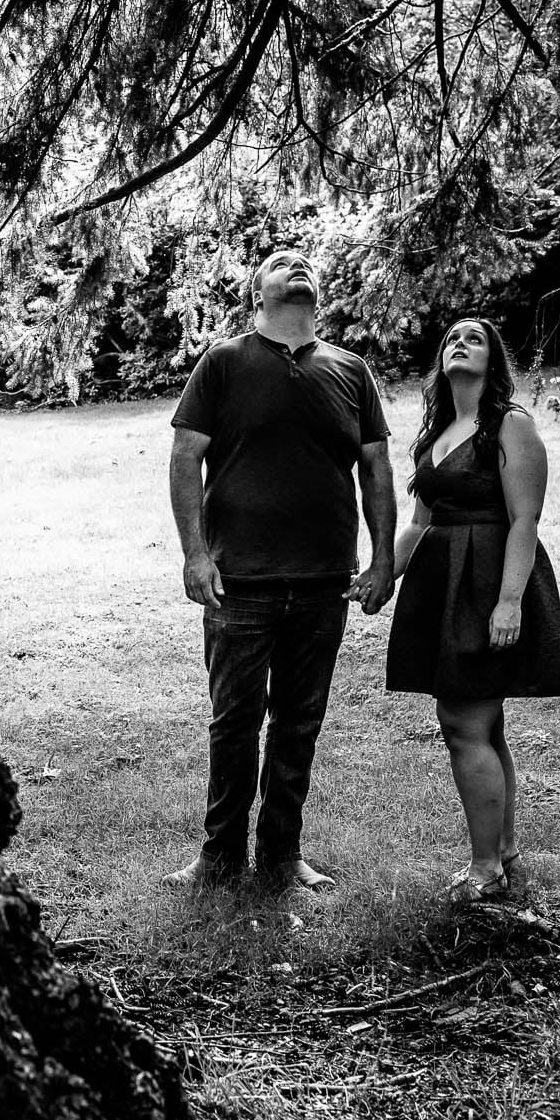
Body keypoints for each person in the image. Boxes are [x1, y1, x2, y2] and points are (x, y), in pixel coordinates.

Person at [165, 249, 397, 894]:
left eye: (305, 261)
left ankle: (281, 855)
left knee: (299, 722)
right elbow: (186, 458)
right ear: (257, 292)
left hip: (326, 581)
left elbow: (375, 468)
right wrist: (195, 552)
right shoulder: (224, 362)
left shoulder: (351, 370)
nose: (297, 264)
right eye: (280, 260)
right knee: (234, 721)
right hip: (240, 580)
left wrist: (383, 559)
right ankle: (218, 857)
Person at [386, 317, 560, 904]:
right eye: (451, 339)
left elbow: (525, 519)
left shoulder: (510, 424)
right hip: (443, 583)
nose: (459, 344)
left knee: (464, 724)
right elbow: (420, 524)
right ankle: (504, 852)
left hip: (491, 581)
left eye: (475, 338)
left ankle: (486, 868)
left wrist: (510, 600)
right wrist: (380, 576)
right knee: (482, 724)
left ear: (493, 361)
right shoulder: (437, 431)